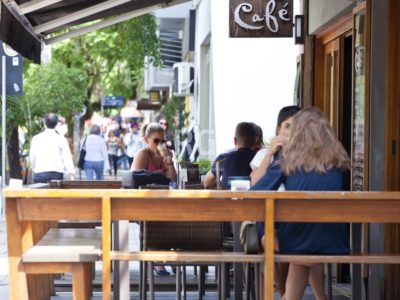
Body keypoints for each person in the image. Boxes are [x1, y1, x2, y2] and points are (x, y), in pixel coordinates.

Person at [252, 107, 350, 300]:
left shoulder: (287, 161)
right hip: (334, 241)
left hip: (295, 240)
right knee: (304, 252)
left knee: (282, 233)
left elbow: (255, 193)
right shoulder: (339, 162)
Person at [131, 123, 177, 275]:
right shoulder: (143, 154)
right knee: (158, 219)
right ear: (146, 139)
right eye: (156, 141)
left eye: (163, 141)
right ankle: (158, 259)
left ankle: (169, 255)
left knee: (177, 218)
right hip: (143, 203)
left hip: (163, 202)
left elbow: (172, 180)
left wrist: (169, 161)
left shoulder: (165, 155)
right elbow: (134, 179)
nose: (160, 144)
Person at [250, 106, 301, 185]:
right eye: (287, 126)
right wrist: (269, 154)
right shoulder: (264, 153)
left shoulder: (306, 156)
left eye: (297, 127)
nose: (292, 131)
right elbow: (253, 184)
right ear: (278, 129)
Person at [204, 122, 257, 189]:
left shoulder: (223, 158)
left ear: (235, 140)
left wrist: (222, 186)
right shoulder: (262, 159)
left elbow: (207, 183)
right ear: (255, 140)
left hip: (228, 198)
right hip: (253, 198)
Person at [30, 113, 75, 183]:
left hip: (40, 173)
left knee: (40, 194)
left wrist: (34, 168)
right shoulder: (61, 139)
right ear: (56, 124)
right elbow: (67, 158)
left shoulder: (36, 139)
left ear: (44, 122)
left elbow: (32, 158)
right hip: (56, 174)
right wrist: (71, 174)